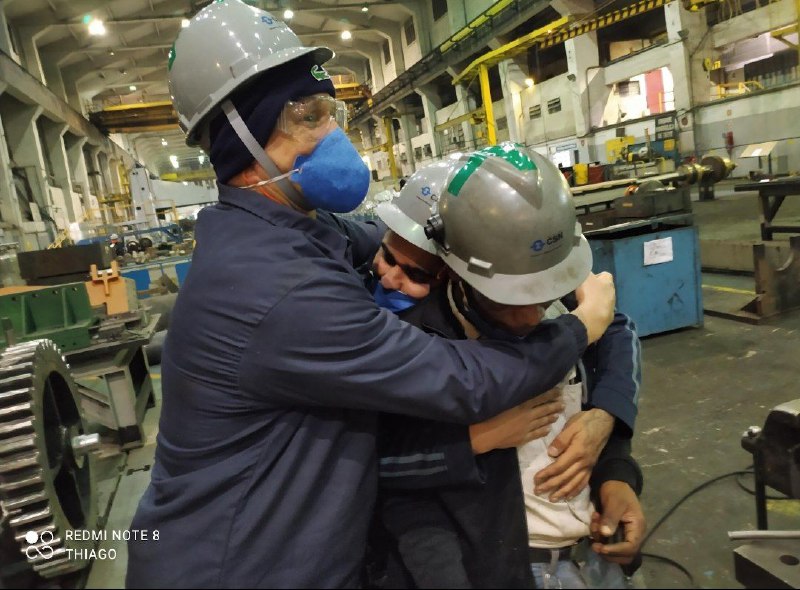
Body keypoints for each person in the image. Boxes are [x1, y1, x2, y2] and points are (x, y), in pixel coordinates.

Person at [126, 3, 617, 588]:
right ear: (244, 141)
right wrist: (582, 324)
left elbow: (386, 240)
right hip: (242, 565)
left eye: (331, 113)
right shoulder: (281, 288)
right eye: (308, 118)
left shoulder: (289, 231)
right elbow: (464, 381)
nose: (333, 134)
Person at [368, 145, 644, 588]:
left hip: (595, 558)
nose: (533, 315)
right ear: (454, 272)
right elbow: (399, 488)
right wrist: (474, 441)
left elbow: (610, 347)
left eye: (543, 292)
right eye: (511, 298)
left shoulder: (575, 308)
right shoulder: (418, 346)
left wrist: (614, 459)